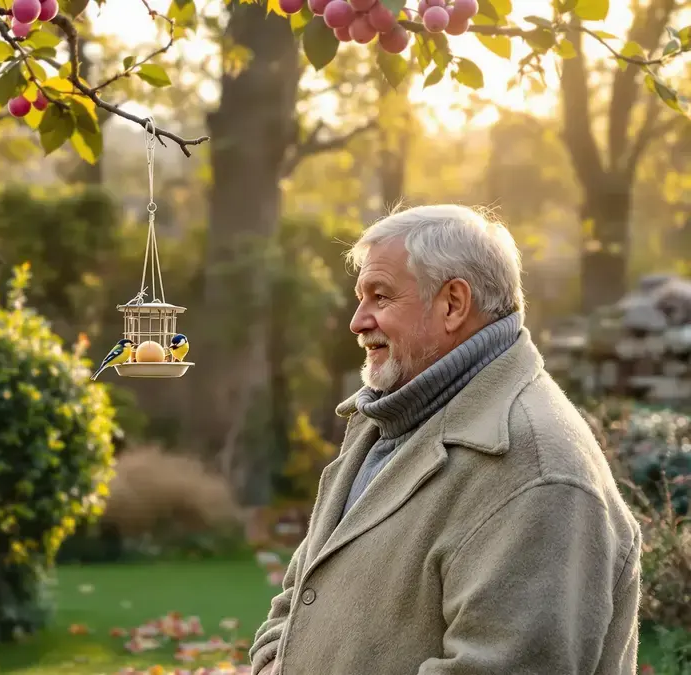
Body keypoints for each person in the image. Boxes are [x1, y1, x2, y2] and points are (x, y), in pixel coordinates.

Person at [249, 204, 641, 675]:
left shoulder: (538, 472)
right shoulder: (388, 418)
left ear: (453, 303)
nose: (357, 321)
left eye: (380, 296)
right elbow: (299, 598)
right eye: (361, 298)